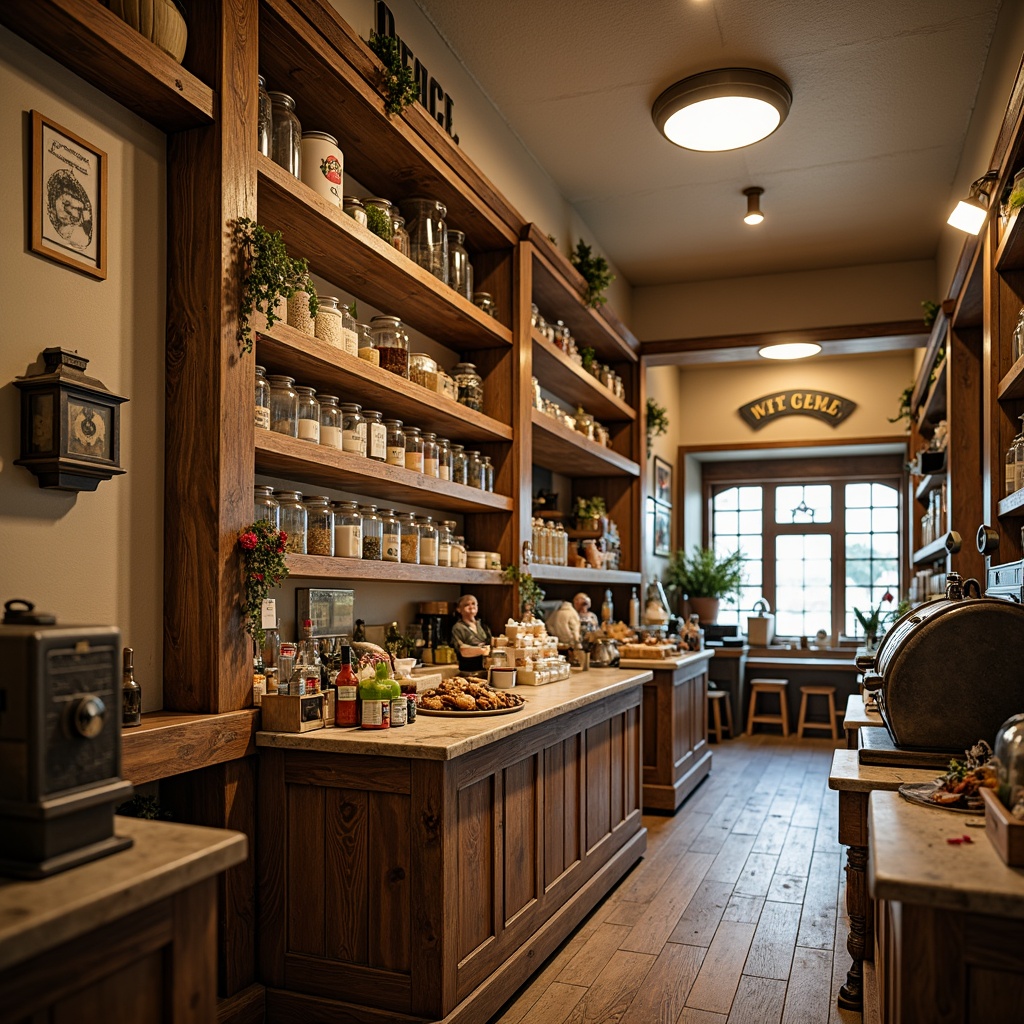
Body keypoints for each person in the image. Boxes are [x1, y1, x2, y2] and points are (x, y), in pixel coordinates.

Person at [451, 594, 492, 675]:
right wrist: (482, 650)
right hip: (468, 670)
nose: (471, 607)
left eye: (473, 604)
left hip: (485, 669)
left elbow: (491, 644)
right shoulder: (458, 628)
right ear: (459, 609)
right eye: (466, 605)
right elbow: (462, 650)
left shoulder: (483, 625)